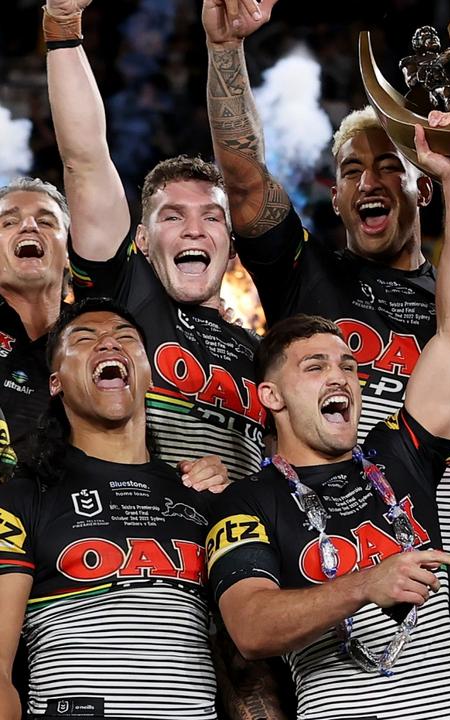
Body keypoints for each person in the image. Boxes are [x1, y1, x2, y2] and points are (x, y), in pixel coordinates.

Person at [201, 3, 450, 715]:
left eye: (389, 165)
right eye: (351, 171)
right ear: (335, 197)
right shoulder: (306, 278)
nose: (369, 182)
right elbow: (243, 185)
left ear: (422, 180)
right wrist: (227, 49)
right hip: (328, 548)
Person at [207, 118, 450, 719]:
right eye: (315, 367)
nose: (340, 377)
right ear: (272, 398)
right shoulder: (247, 502)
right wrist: (365, 584)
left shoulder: (400, 457)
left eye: (348, 365)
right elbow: (251, 627)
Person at [46, 0, 257, 486]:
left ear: (231, 242)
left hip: (243, 549)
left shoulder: (259, 349)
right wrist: (62, 30)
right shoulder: (126, 296)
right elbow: (86, 159)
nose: (193, 229)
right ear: (141, 239)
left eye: (211, 217)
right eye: (172, 217)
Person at [0, 298, 234, 718]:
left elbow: (239, 650)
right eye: (86, 339)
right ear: (55, 383)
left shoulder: (202, 493)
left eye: (125, 338)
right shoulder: (24, 496)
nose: (109, 344)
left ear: (147, 374)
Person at [0, 179, 71, 451]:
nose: (29, 226)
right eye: (8, 222)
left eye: (46, 222)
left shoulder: (93, 337)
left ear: (67, 253)